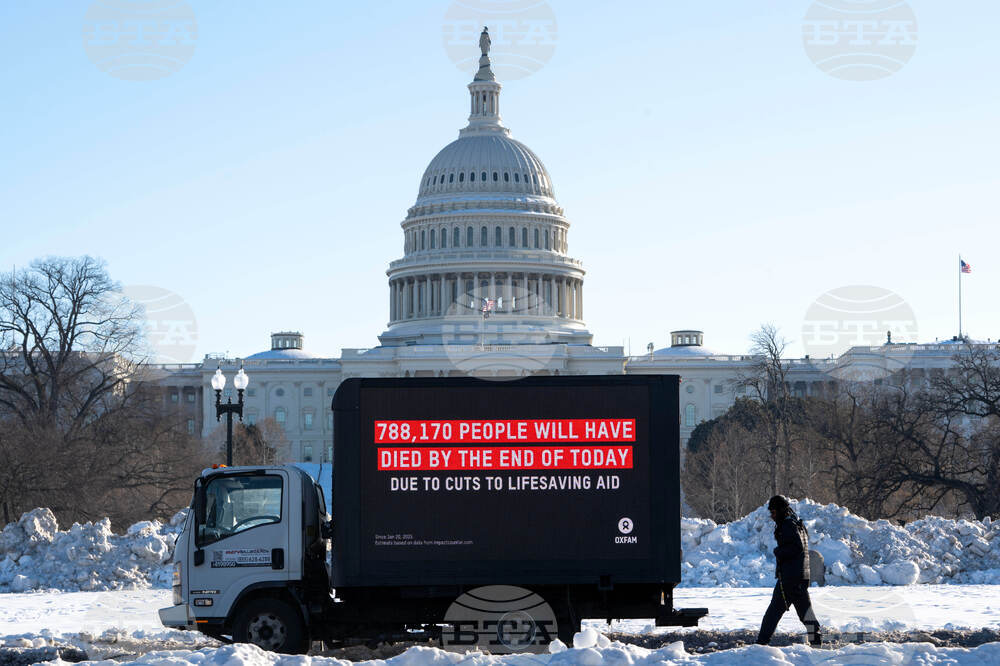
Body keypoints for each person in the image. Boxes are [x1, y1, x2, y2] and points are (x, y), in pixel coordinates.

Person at [756, 495, 823, 647]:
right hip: (799, 576)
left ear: (781, 510)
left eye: (773, 512)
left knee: (774, 612)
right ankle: (816, 640)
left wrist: (778, 551)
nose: (772, 516)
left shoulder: (787, 525)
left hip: (790, 578)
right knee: (805, 612)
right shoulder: (796, 523)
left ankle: (761, 644)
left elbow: (797, 547)